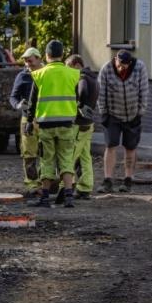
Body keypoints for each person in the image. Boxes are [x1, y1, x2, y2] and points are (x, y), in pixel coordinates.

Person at [27, 40, 81, 208]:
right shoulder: (73, 74)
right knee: (66, 160)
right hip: (66, 124)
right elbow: (77, 98)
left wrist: (29, 121)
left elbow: (32, 101)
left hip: (46, 125)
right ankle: (69, 197)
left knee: (47, 161)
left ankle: (44, 198)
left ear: (46, 55)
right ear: (62, 54)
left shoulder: (39, 74)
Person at [97, 49, 148, 193]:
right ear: (116, 59)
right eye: (119, 64)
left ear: (129, 63)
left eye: (124, 65)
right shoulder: (106, 69)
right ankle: (107, 180)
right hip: (113, 114)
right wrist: (103, 113)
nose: (121, 68)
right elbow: (101, 92)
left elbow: (144, 90)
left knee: (130, 147)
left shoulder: (139, 68)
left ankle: (128, 179)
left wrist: (140, 112)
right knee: (111, 146)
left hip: (132, 114)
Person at [10, 46, 44, 200]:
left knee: (46, 153)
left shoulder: (46, 74)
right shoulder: (22, 77)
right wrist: (18, 104)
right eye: (25, 61)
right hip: (27, 118)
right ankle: (32, 185)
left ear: (38, 59)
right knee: (29, 153)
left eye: (29, 61)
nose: (27, 64)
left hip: (44, 118)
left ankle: (45, 184)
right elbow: (13, 97)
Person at [66, 53, 99, 199]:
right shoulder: (93, 78)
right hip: (88, 124)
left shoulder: (82, 78)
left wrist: (79, 105)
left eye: (69, 68)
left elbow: (83, 91)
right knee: (85, 156)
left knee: (70, 156)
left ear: (75, 65)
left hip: (79, 124)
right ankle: (85, 187)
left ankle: (67, 187)